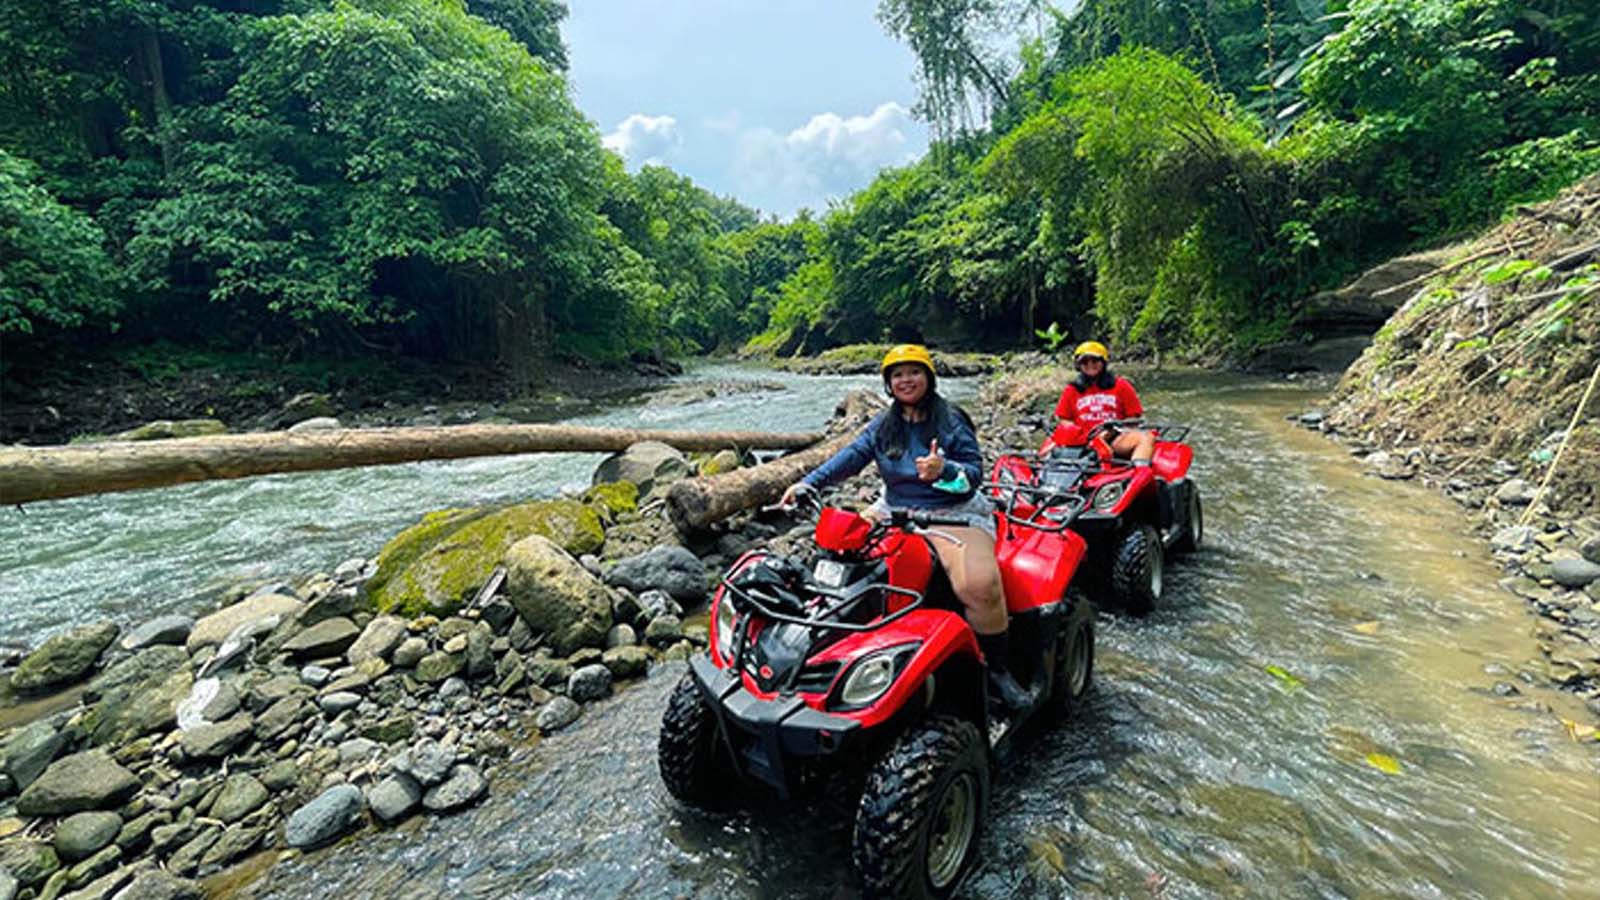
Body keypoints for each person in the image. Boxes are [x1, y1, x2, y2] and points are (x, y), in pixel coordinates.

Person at [780, 344, 1031, 713]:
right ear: (888, 383)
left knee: (979, 586)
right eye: (897, 375)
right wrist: (809, 483)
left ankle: (996, 670)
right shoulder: (884, 424)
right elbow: (851, 457)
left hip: (953, 510)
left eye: (914, 372)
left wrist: (944, 470)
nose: (906, 380)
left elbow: (973, 475)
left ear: (929, 377)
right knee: (838, 556)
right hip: (894, 507)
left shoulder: (951, 420)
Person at [1054, 341, 1155, 464]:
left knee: (1146, 438)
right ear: (1079, 365)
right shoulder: (1072, 390)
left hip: (1115, 438)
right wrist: (1080, 436)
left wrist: (1112, 431)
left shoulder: (1121, 385)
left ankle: (1140, 470)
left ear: (1103, 362)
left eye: (1095, 361)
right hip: (1082, 442)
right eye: (1085, 362)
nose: (1090, 365)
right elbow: (1064, 419)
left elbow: (1133, 417)